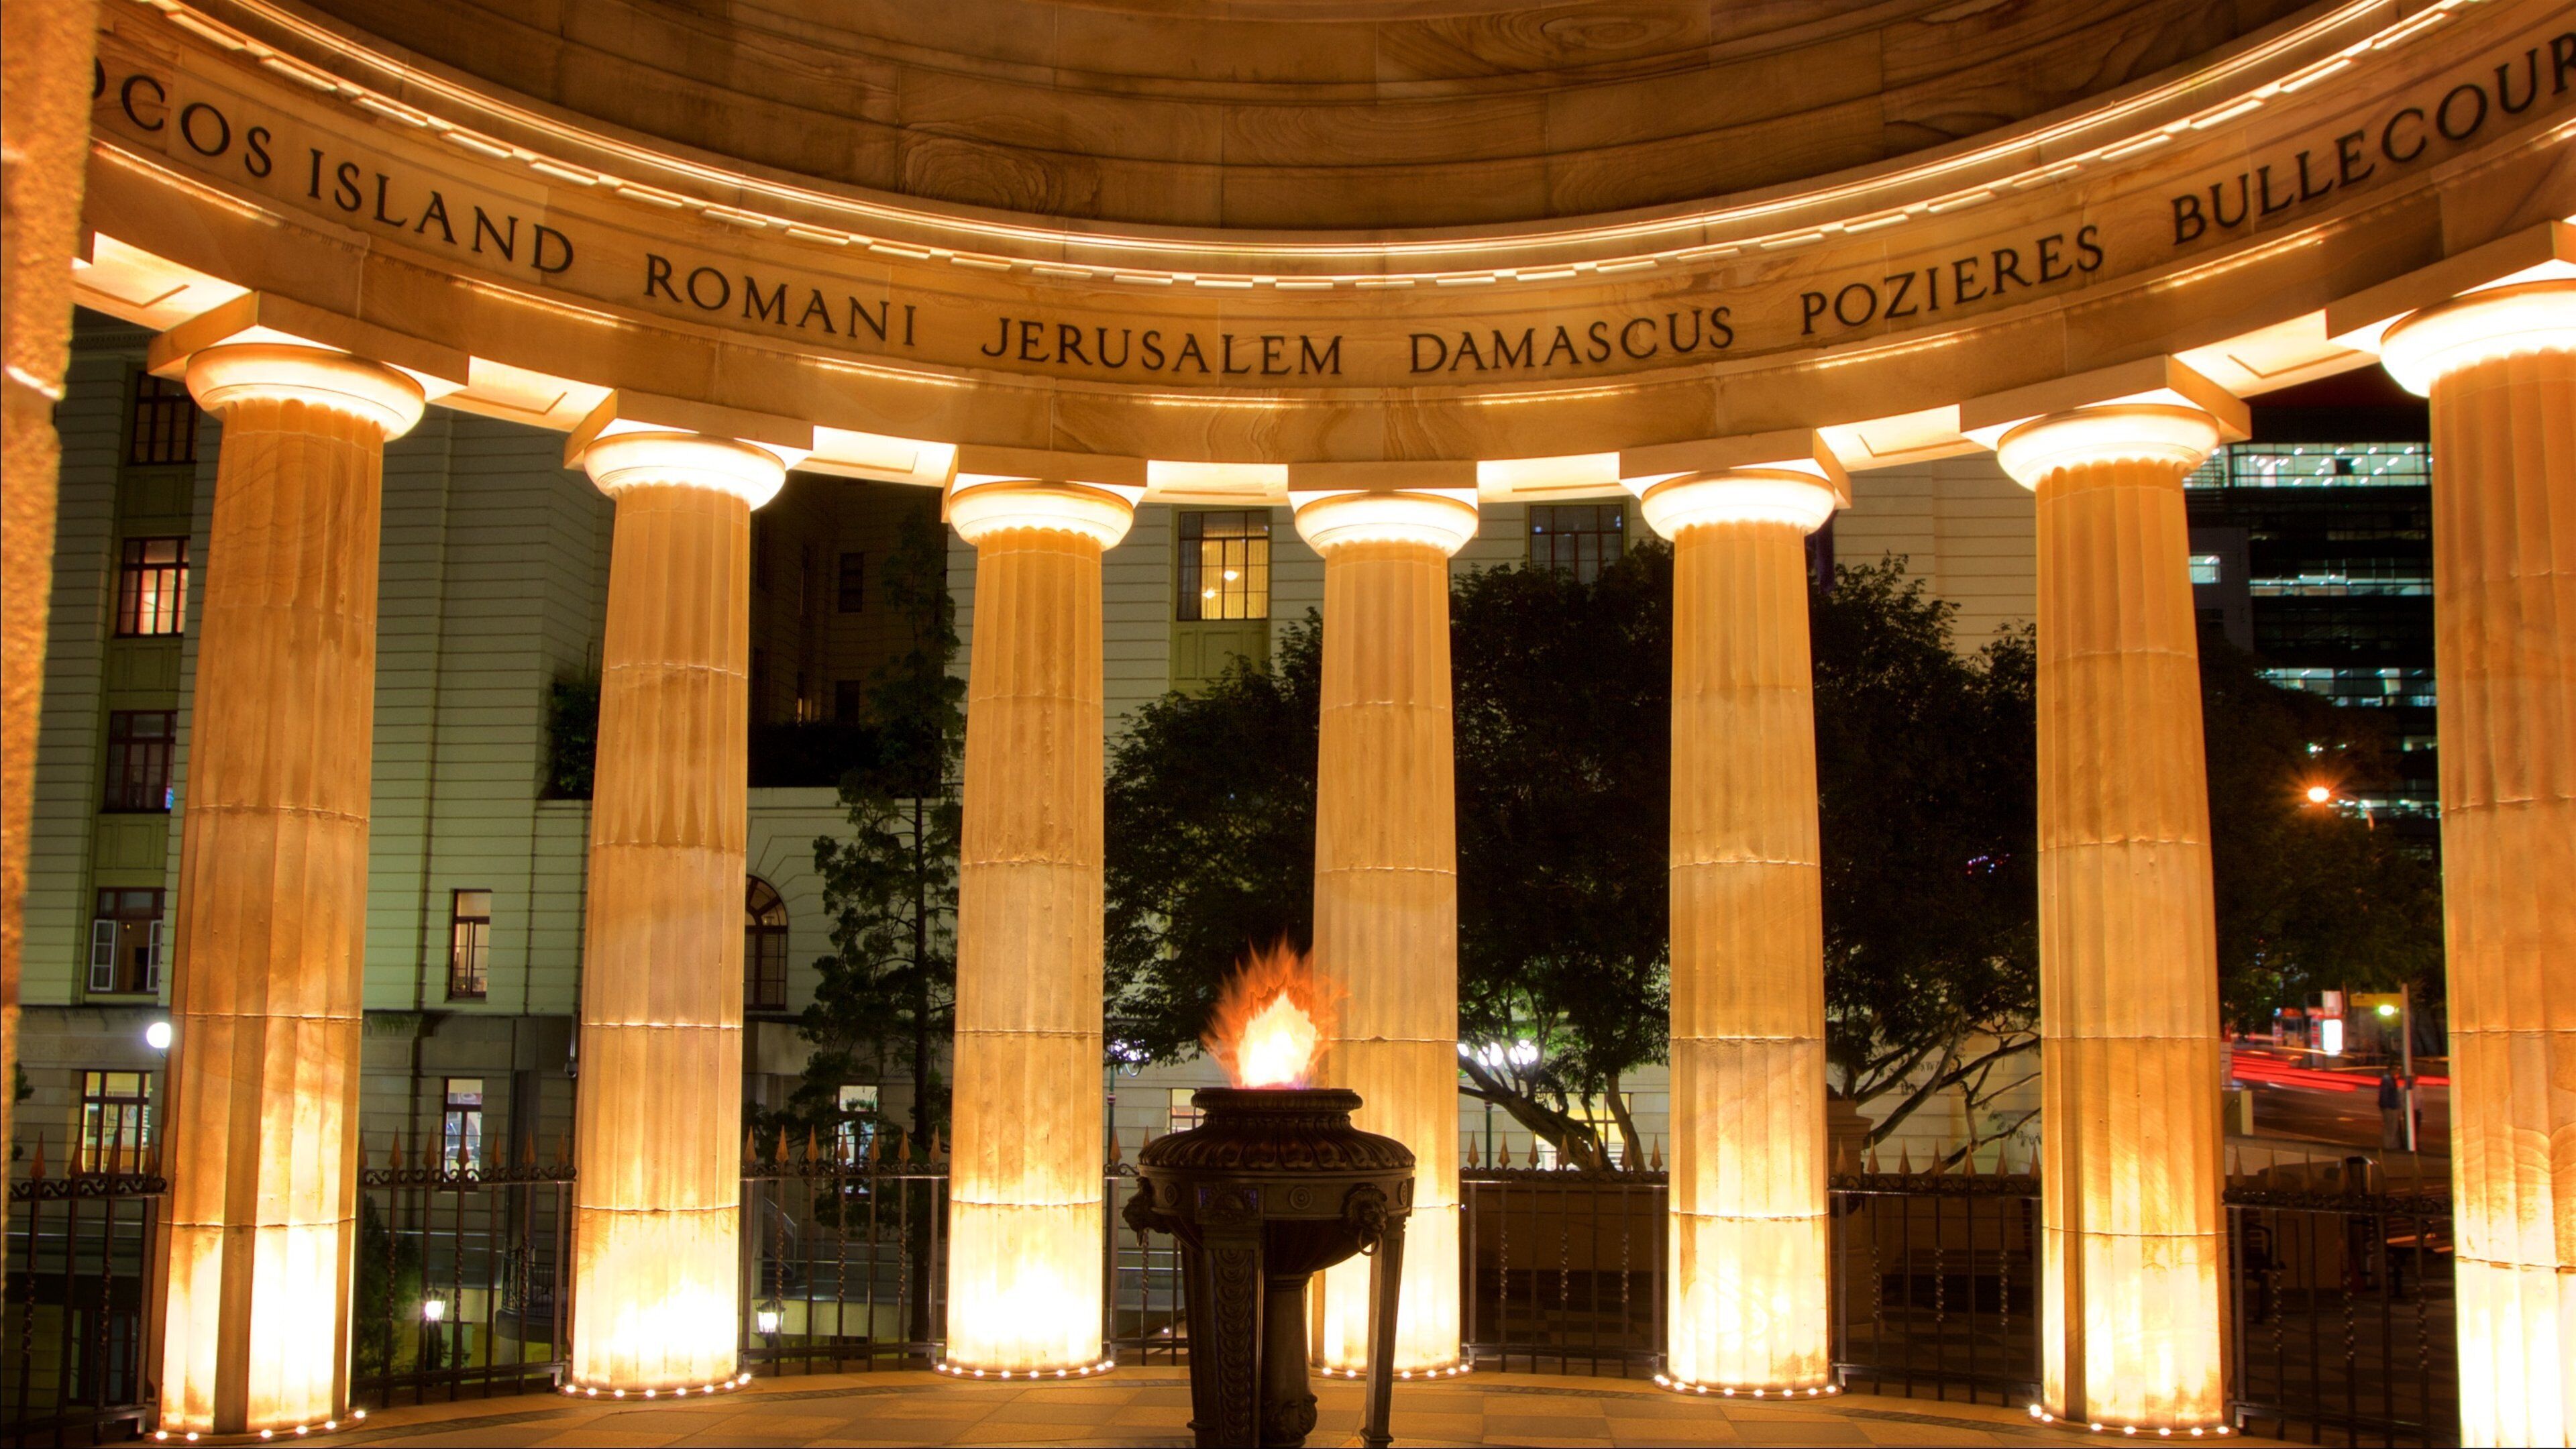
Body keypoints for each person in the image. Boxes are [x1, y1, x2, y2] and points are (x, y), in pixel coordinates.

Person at [2377, 1068, 2407, 1151]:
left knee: (2392, 1128)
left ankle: (2391, 1145)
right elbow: (2385, 1094)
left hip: (2391, 1107)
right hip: (2390, 1107)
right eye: (2397, 1070)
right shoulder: (2387, 1080)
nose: (2398, 1073)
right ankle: (2389, 1146)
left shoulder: (2391, 1080)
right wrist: (2386, 1106)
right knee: (2391, 1128)